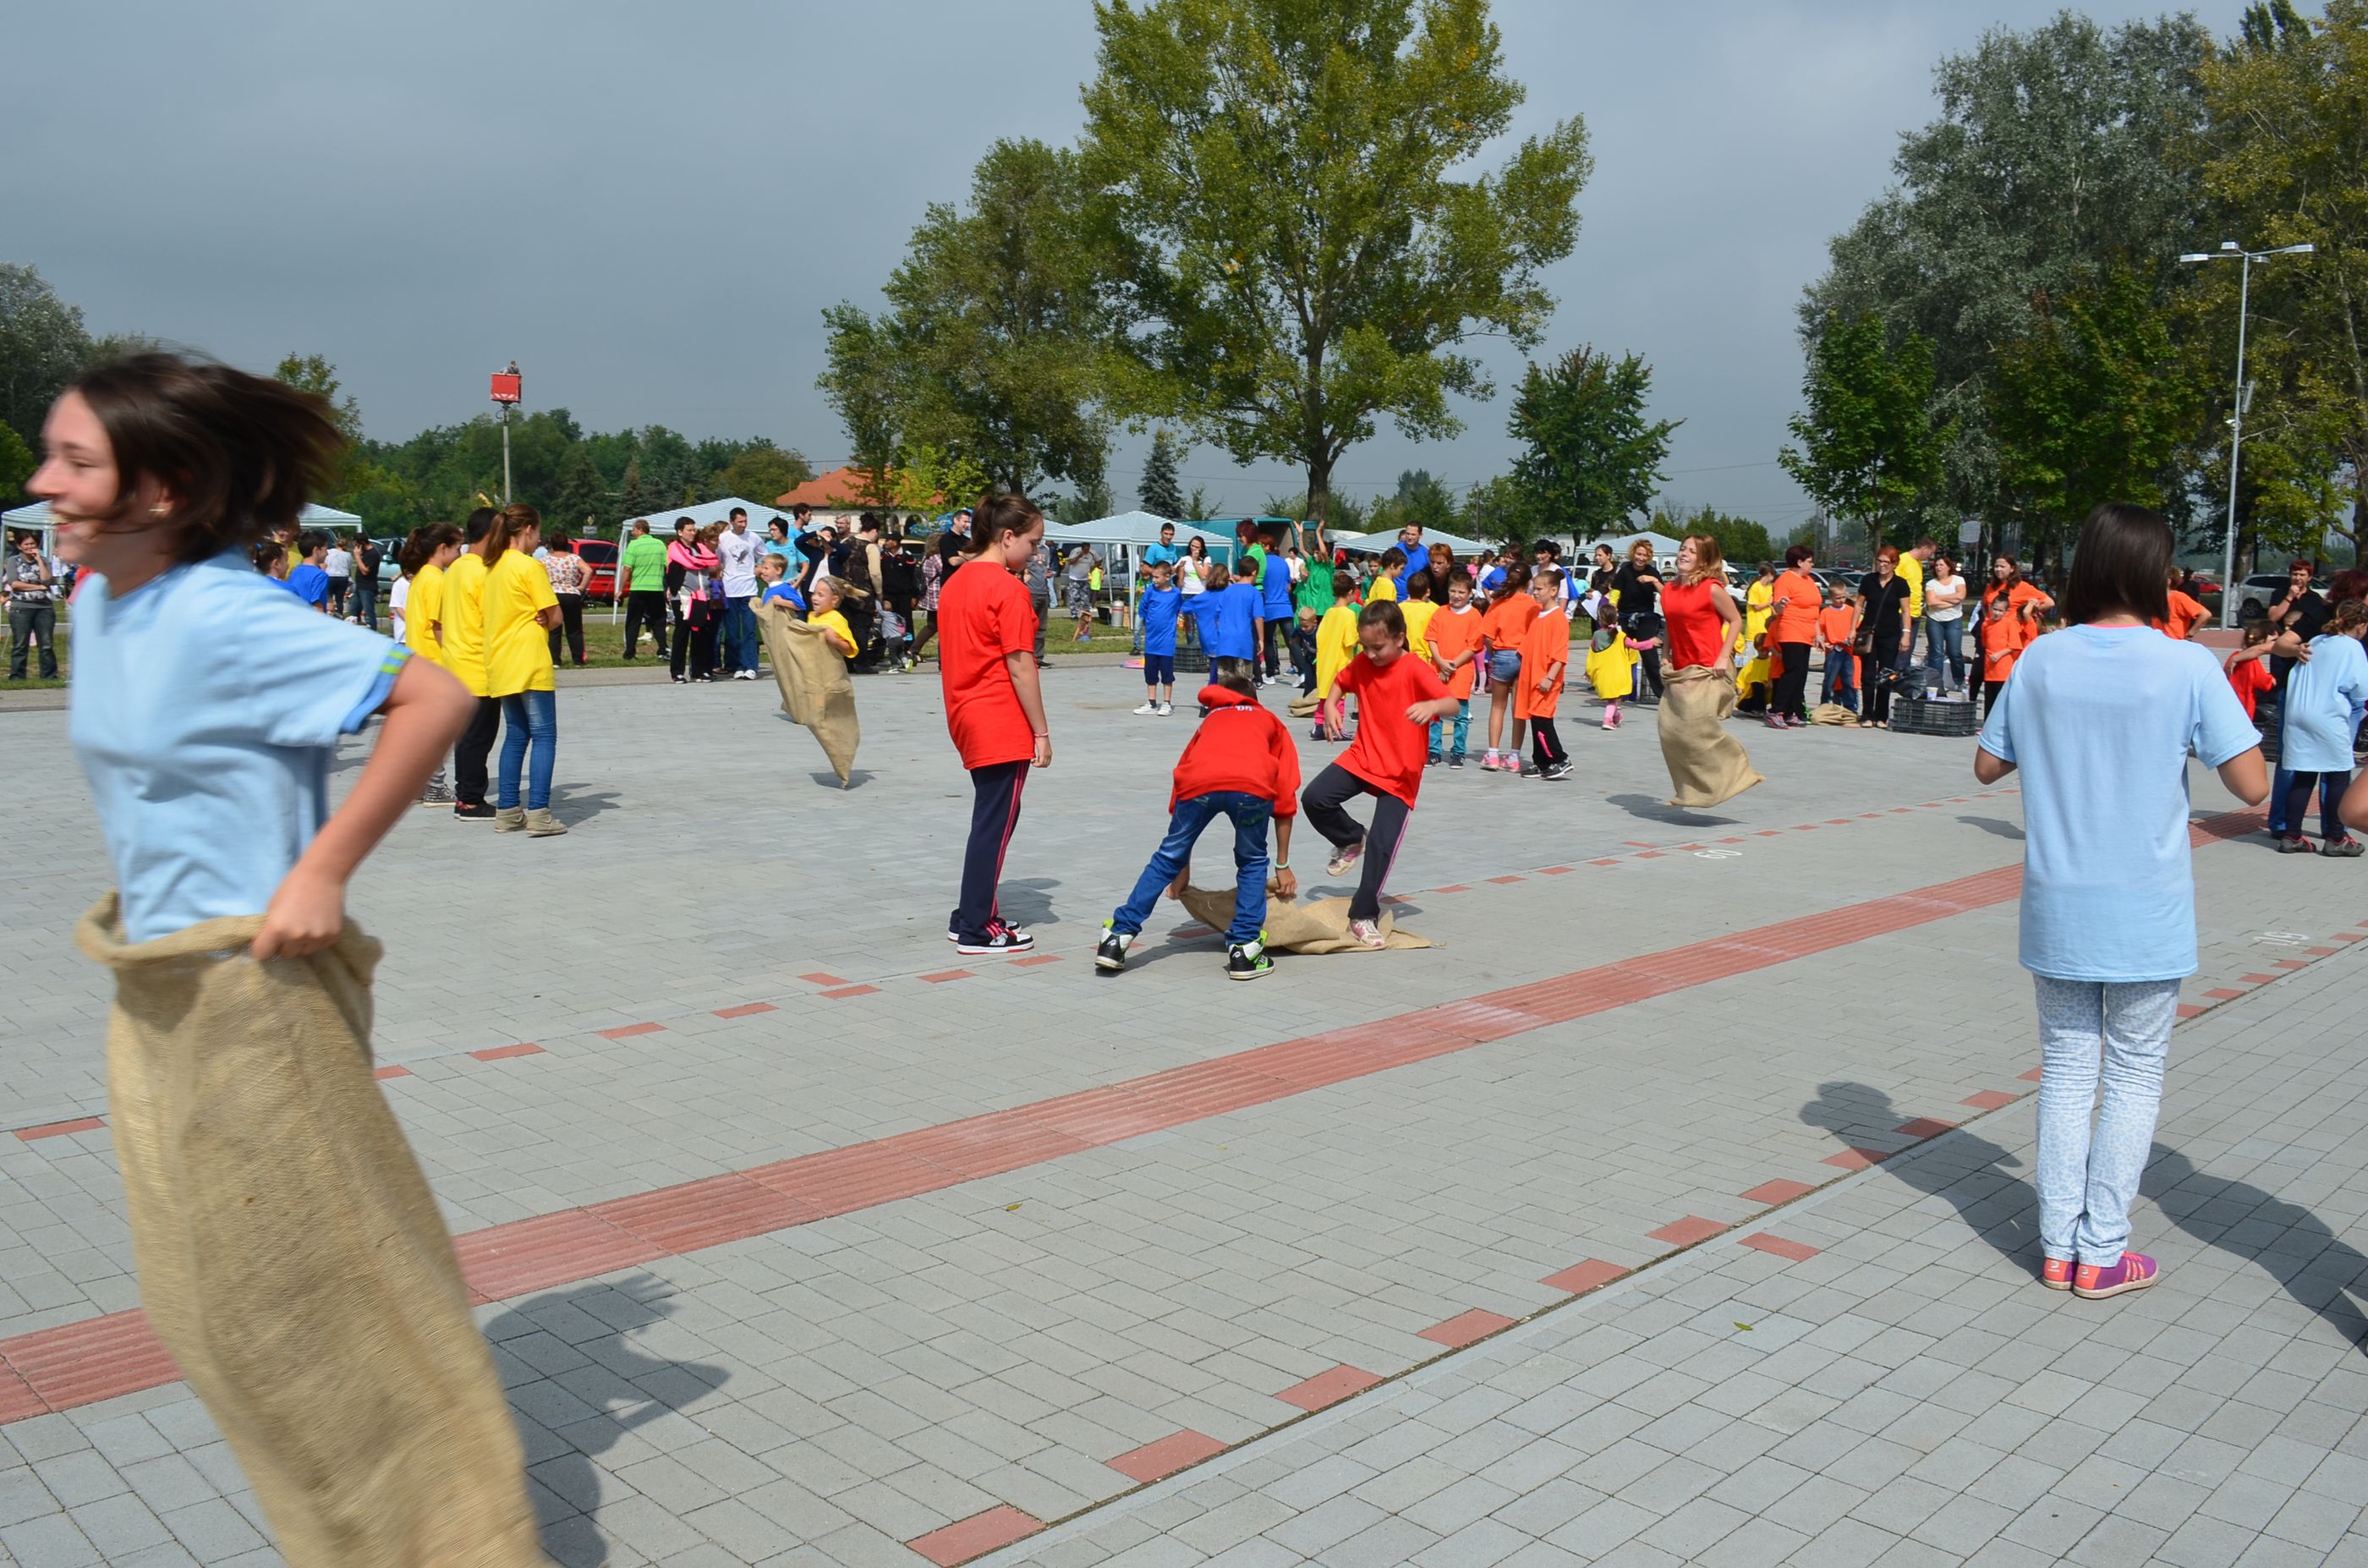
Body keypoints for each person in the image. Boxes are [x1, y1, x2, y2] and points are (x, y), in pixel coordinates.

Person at [30, 350, 548, 1564]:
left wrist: (320, 871)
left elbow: (435, 698)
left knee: (332, 1307)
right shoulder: (103, 602)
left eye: (75, 461)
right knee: (218, 1308)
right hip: (159, 982)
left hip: (254, 989)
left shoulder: (225, 613)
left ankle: (460, 1538)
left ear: (162, 489)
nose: (45, 481)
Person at [1973, 502, 2267, 1301]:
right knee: (2134, 1074)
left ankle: (2057, 1248)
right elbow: (2252, 784)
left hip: (2059, 904)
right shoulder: (2186, 666)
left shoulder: (2041, 658)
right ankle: (2102, 1250)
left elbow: (1988, 766)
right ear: (2153, 574)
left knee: (2069, 1072)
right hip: (2146, 909)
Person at [1095, 660, 1302, 981]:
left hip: (1197, 788)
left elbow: (1181, 783)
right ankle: (1245, 949)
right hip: (1252, 789)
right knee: (1251, 861)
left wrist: (1181, 865)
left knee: (1166, 857)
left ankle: (1117, 938)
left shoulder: (1211, 720)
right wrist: (1283, 863)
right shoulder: (1270, 721)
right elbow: (1285, 795)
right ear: (1254, 700)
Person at [1301, 601, 1461, 947]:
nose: (1371, 655)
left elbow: (1452, 704)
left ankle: (1363, 915)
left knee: (1381, 844)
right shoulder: (1363, 663)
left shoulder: (1414, 668)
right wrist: (1330, 704)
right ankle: (1349, 837)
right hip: (1364, 757)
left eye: (1378, 647)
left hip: (1400, 772)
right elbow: (1340, 681)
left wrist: (1433, 705)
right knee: (1314, 798)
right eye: (1365, 647)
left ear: (1399, 638)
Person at [938, 495, 1054, 955]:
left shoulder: (957, 581)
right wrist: (1041, 731)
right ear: (1007, 537)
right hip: (998, 717)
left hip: (965, 711)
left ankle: (969, 912)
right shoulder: (1008, 589)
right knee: (995, 822)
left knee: (992, 817)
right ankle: (977, 927)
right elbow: (1021, 665)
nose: (1036, 552)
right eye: (1033, 542)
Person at [1658, 534, 1762, 809]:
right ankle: (1692, 790)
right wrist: (1665, 654)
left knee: (1695, 730)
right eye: (1683, 549)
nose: (1684, 554)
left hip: (1709, 668)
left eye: (1692, 551)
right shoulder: (1669, 590)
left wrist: (1723, 657)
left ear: (1704, 560)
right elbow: (1671, 624)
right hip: (1682, 669)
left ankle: (1737, 773)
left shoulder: (1711, 589)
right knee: (1671, 732)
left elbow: (1736, 620)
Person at [480, 505, 565, 836]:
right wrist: (544, 618)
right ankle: (539, 813)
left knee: (516, 735)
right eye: (537, 532)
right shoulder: (529, 566)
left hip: (500, 660)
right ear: (527, 529)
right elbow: (555, 616)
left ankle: (507, 810)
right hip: (529, 658)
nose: (538, 538)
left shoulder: (491, 567)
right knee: (544, 736)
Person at [2269, 599, 2368, 855]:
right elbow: (2360, 687)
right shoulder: (2352, 647)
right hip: (2328, 716)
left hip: (2299, 712)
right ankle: (2336, 837)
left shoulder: (2317, 641)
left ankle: (2292, 835)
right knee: (2337, 775)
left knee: (2304, 774)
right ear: (2361, 625)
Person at [442, 507, 502, 818]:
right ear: (491, 535)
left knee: (467, 737)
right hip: (478, 664)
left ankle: (466, 794)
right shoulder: (482, 572)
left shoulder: (456, 568)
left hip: (456, 661)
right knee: (478, 737)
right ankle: (470, 799)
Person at [398, 524, 463, 806]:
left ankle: (419, 783)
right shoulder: (436, 579)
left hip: (418, 659)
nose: (460, 553)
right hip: (435, 661)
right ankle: (435, 786)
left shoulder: (422, 576)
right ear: (442, 548)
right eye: (457, 548)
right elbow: (439, 627)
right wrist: (455, 654)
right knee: (438, 730)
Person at [1976, 555, 2052, 717]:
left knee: (2006, 680)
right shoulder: (1992, 586)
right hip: (1992, 636)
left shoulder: (2022, 587)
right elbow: (1985, 605)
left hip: (2011, 639)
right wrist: (1988, 620)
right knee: (1984, 676)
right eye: (1996, 566)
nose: (1998, 569)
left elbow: (2049, 602)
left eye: (2002, 566)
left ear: (2012, 568)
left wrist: (2026, 614)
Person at [1479, 560, 1535, 772]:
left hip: (1502, 654)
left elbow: (1487, 635)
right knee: (1518, 709)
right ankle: (1514, 756)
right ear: (1528, 582)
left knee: (1497, 706)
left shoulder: (1499, 603)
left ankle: (1493, 754)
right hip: (1524, 657)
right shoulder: (1533, 605)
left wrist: (1493, 653)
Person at [1518, 569, 1573, 780]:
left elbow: (1560, 654)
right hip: (1532, 677)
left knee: (1543, 720)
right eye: (1535, 588)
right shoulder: (1536, 615)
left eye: (1540, 589)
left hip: (1546, 679)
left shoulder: (1558, 618)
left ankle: (1560, 759)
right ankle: (1541, 761)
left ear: (1553, 591)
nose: (1535, 592)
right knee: (1535, 719)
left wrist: (1550, 677)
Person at [1854, 546, 1915, 729]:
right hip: (1869, 634)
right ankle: (1867, 714)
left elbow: (1906, 611)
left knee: (1886, 675)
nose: (1882, 565)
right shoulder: (1868, 580)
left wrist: (1906, 634)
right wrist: (1852, 629)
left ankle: (1882, 715)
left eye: (1886, 562)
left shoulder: (1900, 584)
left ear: (1894, 564)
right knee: (1868, 675)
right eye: (1879, 561)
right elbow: (1858, 605)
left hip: (1890, 635)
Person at [1426, 571, 1482, 765]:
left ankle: (1458, 752)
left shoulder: (1474, 616)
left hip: (1461, 673)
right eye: (1453, 591)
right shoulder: (1440, 612)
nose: (1456, 595)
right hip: (1437, 670)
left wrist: (1451, 666)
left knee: (1460, 716)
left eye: (1461, 592)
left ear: (1469, 593)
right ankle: (1434, 750)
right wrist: (1441, 662)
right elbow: (1431, 639)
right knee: (1435, 713)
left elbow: (1472, 647)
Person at [1767, 546, 1821, 727]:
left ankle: (1791, 712)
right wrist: (1780, 605)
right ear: (1799, 562)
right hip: (1792, 630)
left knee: (1801, 674)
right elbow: (1777, 606)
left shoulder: (1809, 581)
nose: (1812, 564)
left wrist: (1818, 633)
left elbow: (1814, 608)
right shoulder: (1785, 580)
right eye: (1809, 561)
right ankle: (1776, 711)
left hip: (1807, 633)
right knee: (1792, 671)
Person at [1611, 540, 1665, 704]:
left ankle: (1662, 695)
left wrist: (1653, 580)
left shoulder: (1652, 572)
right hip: (1625, 616)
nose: (1641, 558)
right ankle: (1619, 692)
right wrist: (1612, 610)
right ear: (1633, 554)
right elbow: (1615, 593)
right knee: (1620, 654)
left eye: (1645, 555)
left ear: (1649, 557)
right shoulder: (1625, 571)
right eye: (1638, 554)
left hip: (1645, 617)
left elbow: (1666, 593)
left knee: (1649, 656)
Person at [669, 523, 721, 684]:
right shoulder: (674, 547)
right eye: (689, 530)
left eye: (694, 530)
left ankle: (699, 671)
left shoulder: (699, 547)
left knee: (700, 633)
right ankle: (677, 672)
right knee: (682, 632)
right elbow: (688, 562)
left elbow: (713, 560)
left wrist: (699, 560)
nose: (693, 533)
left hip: (702, 595)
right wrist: (700, 561)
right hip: (683, 595)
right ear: (680, 532)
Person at [5, 530, 58, 680]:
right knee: (20, 644)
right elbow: (14, 583)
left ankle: (49, 676)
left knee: (46, 644)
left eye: (32, 544)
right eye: (26, 544)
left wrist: (39, 560)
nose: (30, 547)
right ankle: (17, 676)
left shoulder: (45, 560)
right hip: (21, 607)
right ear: (19, 546)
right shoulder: (13, 561)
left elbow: (47, 581)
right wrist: (38, 587)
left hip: (44, 608)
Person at [717, 507, 761, 678]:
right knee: (733, 631)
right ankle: (737, 666)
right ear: (732, 522)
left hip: (749, 588)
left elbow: (765, 555)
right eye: (740, 521)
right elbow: (717, 561)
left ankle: (750, 666)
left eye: (745, 521)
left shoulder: (753, 537)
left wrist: (760, 568)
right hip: (730, 589)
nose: (743, 525)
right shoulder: (723, 539)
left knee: (749, 629)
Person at [1312, 592, 1361, 742]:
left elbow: (1319, 636)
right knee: (1338, 695)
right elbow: (1350, 641)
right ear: (1350, 593)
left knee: (1325, 695)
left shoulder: (1329, 612)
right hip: (1340, 660)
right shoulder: (1348, 614)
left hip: (1325, 659)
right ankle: (1337, 728)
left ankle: (1319, 725)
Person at [1136, 558, 1181, 715]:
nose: (1154, 580)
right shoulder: (1150, 591)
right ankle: (1151, 702)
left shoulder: (1176, 594)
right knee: (1150, 673)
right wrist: (1147, 622)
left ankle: (1167, 703)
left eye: (1157, 577)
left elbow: (1181, 608)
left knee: (1167, 674)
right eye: (1153, 577)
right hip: (1151, 642)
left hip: (1167, 643)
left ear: (1167, 577)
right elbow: (1143, 608)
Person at [619, 518, 669, 661]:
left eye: (634, 530)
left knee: (633, 621)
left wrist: (621, 588)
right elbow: (666, 565)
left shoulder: (634, 545)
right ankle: (662, 648)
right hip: (656, 587)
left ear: (640, 530)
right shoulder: (660, 544)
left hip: (639, 587)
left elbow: (627, 568)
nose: (633, 532)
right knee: (658, 620)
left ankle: (630, 652)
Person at [1923, 552, 1968, 692]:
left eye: (1941, 565)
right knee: (1936, 652)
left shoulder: (1958, 580)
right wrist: (1952, 602)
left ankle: (1959, 680)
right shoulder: (1931, 584)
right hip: (1935, 620)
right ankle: (1936, 683)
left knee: (1954, 652)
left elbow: (1961, 596)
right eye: (1936, 565)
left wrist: (1939, 597)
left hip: (1954, 619)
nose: (1938, 567)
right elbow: (1931, 602)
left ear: (1948, 567)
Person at [541, 533, 588, 667]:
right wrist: (581, 586)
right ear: (567, 544)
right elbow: (588, 570)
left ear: (551, 545)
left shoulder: (545, 560)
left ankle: (555, 660)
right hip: (571, 594)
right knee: (574, 629)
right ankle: (578, 660)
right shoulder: (574, 558)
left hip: (553, 594)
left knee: (554, 628)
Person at [1258, 527, 1296, 683]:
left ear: (1267, 547)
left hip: (1269, 607)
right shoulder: (1283, 563)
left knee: (1268, 641)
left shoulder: (1262, 563)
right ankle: (1303, 672)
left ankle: (1270, 674)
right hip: (1285, 606)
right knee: (1292, 641)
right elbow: (1288, 586)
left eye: (1260, 546)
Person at [1816, 584, 1859, 715]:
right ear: (1831, 598)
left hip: (1848, 649)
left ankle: (1850, 708)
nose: (1841, 600)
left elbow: (1857, 627)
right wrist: (1823, 641)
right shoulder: (1826, 612)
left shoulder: (1850, 611)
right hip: (1833, 649)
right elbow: (1819, 628)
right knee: (1829, 680)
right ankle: (1825, 704)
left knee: (1848, 680)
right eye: (1838, 598)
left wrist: (1853, 638)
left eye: (1843, 597)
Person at [1586, 611, 1632, 731]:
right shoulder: (1620, 635)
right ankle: (1607, 720)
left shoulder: (1596, 635)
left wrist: (1588, 670)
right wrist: (1650, 643)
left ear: (1600, 620)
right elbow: (1635, 646)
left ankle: (1616, 716)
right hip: (1617, 673)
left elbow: (1592, 653)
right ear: (1616, 620)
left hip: (1602, 673)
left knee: (1612, 697)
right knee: (1612, 700)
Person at [2224, 622, 2276, 723]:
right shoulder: (2252, 662)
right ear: (2262, 642)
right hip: (2245, 701)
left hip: (2230, 698)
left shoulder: (2235, 655)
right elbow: (2262, 682)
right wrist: (2271, 679)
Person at [803, 576, 860, 660]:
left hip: (829, 665)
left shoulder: (836, 619)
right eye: (814, 593)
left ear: (834, 600)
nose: (814, 598)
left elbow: (850, 650)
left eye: (820, 595)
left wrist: (835, 641)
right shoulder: (811, 615)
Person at [286, 530, 331, 611]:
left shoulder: (295, 572)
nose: (327, 554)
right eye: (325, 550)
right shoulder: (320, 575)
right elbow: (318, 607)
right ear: (316, 550)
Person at [2159, 569, 2208, 641]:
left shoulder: (2178, 598)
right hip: (2157, 642)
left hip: (2174, 642)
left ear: (2168, 581)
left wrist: (2190, 633)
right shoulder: (2155, 599)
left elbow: (2205, 614)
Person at [324, 534, 353, 617]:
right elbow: (349, 567)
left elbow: (325, 563)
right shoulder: (348, 555)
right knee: (339, 599)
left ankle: (329, 613)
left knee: (329, 596)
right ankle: (340, 614)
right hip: (343, 577)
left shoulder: (329, 552)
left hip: (331, 575)